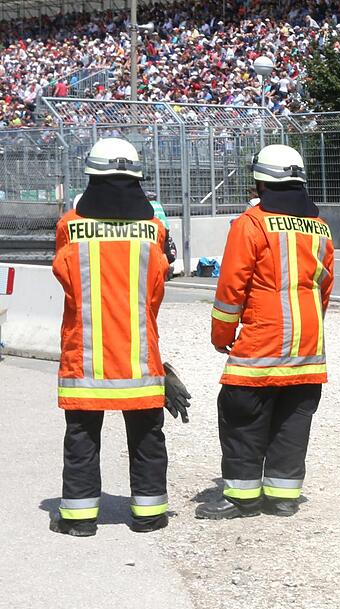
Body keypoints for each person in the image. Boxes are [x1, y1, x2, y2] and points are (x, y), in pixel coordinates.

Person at [50, 138, 187, 537]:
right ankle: (149, 515)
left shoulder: (70, 227)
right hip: (140, 357)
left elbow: (66, 283)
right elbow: (156, 292)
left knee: (81, 436)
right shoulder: (153, 230)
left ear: (91, 176)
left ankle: (79, 520)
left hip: (85, 358)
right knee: (147, 436)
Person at [196, 144, 334, 520]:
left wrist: (222, 335)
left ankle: (242, 497)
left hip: (262, 343)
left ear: (261, 181)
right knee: (293, 420)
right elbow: (324, 288)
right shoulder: (320, 228)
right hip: (308, 346)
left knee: (241, 414)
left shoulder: (251, 224)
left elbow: (231, 288)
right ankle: (283, 497)